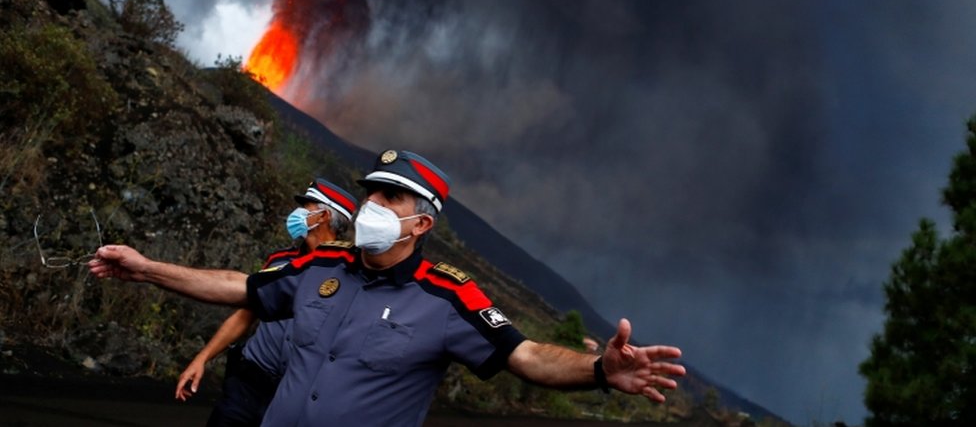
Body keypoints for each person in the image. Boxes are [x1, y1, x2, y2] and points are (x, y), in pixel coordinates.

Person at [89, 150, 686, 427]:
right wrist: (147, 269)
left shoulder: (450, 294)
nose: (370, 204)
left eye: (390, 196)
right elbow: (243, 288)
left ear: (422, 222)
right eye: (370, 191)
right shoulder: (320, 267)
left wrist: (602, 373)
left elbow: (524, 355)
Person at [176, 177, 358, 426]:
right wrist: (202, 358)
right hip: (247, 384)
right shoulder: (279, 262)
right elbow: (245, 315)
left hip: (291, 395)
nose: (297, 214)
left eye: (307, 208)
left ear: (323, 217)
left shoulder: (350, 276)